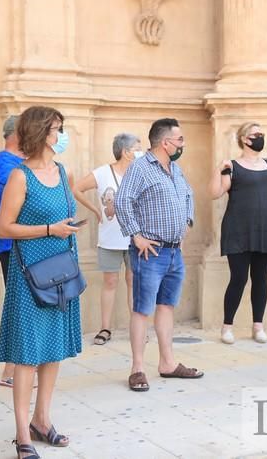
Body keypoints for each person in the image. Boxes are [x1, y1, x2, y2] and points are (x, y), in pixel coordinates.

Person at [0, 106, 82, 458]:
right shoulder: (20, 176)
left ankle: (42, 420)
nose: (60, 136)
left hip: (61, 273)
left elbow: (66, 214)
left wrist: (69, 228)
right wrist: (50, 229)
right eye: (57, 129)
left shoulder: (62, 173)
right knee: (27, 355)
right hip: (30, 275)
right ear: (41, 132)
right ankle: (22, 435)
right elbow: (4, 227)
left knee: (53, 350)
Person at [115, 117, 203, 392]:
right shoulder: (141, 168)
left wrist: (187, 222)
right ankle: (137, 368)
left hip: (174, 252)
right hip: (149, 253)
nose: (182, 144)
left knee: (166, 306)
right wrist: (136, 235)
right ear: (165, 143)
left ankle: (167, 363)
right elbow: (122, 200)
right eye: (180, 139)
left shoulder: (174, 169)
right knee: (142, 310)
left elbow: (188, 195)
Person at [208, 122, 267, 345]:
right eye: (256, 134)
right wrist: (218, 168)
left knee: (261, 279)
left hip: (265, 228)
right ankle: (227, 327)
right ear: (244, 139)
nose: (260, 137)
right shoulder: (232, 166)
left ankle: (258, 326)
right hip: (239, 229)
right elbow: (215, 193)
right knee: (239, 278)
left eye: (261, 134)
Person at [72, 133, 143, 345]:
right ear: (126, 151)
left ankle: (137, 328)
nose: (141, 152)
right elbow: (76, 188)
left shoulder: (140, 173)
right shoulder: (102, 173)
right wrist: (95, 210)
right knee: (110, 281)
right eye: (137, 148)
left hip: (135, 238)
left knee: (134, 282)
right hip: (110, 239)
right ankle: (105, 328)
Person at [0, 115, 23, 387]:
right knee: (17, 306)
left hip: (26, 245)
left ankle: (14, 368)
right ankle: (10, 371)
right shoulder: (4, 163)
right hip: (13, 245)